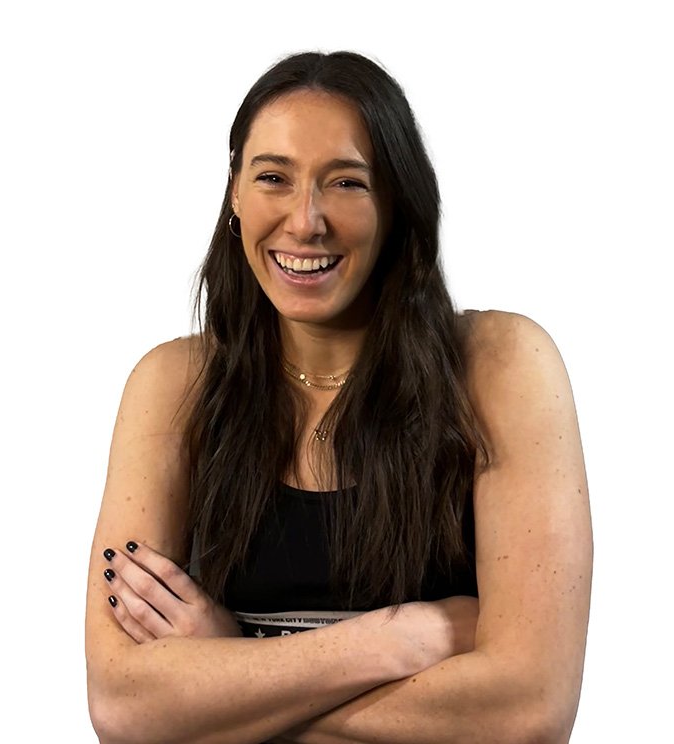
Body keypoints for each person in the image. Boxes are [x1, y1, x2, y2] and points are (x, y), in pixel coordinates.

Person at [85, 50, 592, 744]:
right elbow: (125, 706)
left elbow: (527, 712)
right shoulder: (173, 386)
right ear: (234, 193)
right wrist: (395, 640)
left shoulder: (502, 366)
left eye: (347, 183)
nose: (305, 221)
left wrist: (229, 675)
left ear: (398, 201)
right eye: (273, 178)